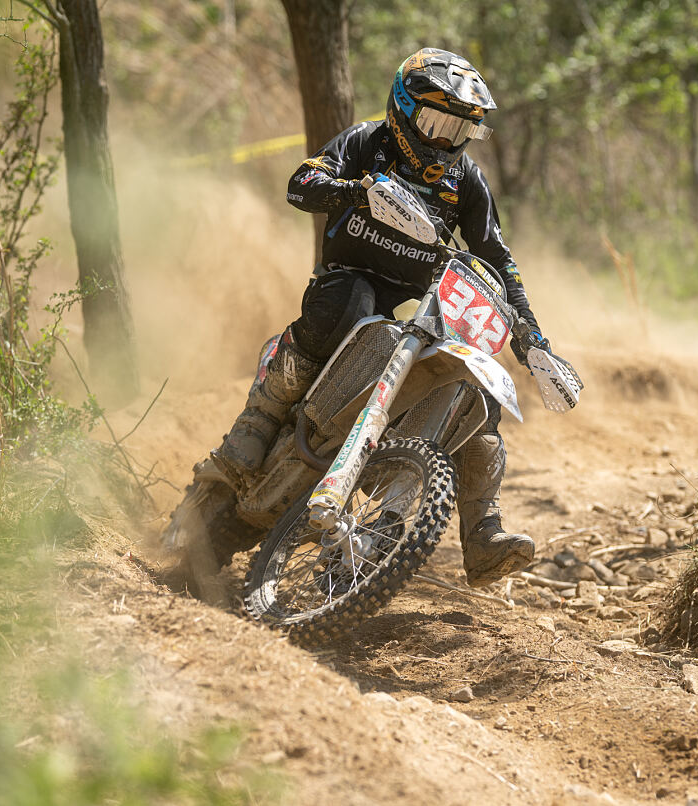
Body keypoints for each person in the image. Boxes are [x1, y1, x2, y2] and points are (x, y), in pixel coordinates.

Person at [214, 48, 549, 588]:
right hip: (351, 279)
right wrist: (357, 190)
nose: (445, 140)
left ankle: (481, 533)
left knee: (474, 393)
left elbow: (497, 257)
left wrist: (532, 336)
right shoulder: (366, 143)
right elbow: (300, 183)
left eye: (459, 129)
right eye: (436, 122)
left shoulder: (466, 181)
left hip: (421, 305)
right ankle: (258, 418)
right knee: (350, 303)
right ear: (403, 108)